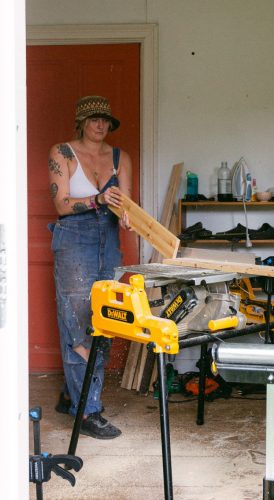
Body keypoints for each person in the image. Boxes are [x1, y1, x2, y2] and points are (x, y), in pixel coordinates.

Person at [48, 95, 133, 439]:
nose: (101, 125)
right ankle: (88, 411)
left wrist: (128, 217)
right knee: (78, 324)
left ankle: (74, 394)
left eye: (105, 120)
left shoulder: (119, 157)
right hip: (74, 240)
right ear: (81, 122)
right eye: (94, 119)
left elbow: (125, 205)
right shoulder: (62, 154)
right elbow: (62, 204)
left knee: (106, 319)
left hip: (108, 241)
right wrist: (97, 199)